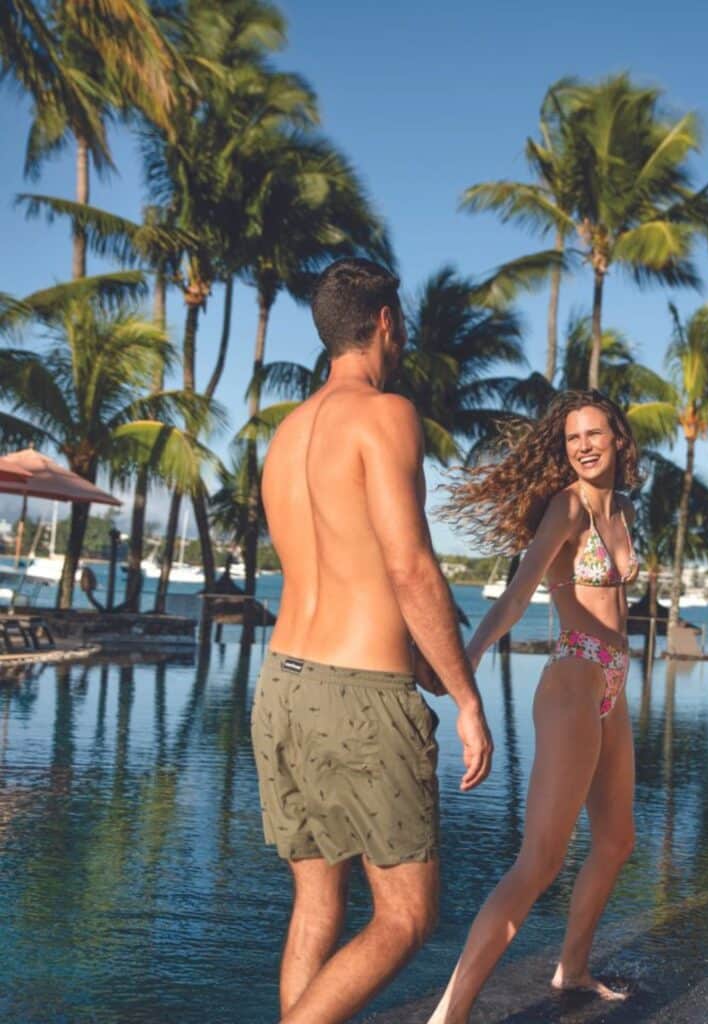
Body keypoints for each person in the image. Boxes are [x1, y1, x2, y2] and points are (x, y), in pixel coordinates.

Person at [251, 257, 493, 1024]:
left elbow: (341, 562)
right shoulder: (385, 415)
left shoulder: (286, 435)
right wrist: (466, 698)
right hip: (359, 693)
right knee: (406, 915)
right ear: (385, 323)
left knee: (316, 905)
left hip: (282, 684)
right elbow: (409, 567)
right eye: (404, 325)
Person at [429, 390, 641, 1023]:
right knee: (541, 859)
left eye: (594, 433)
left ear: (618, 439)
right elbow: (518, 598)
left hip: (614, 683)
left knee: (616, 840)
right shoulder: (567, 507)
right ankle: (451, 1010)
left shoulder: (625, 508)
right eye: (573, 437)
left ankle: (571, 968)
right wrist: (463, 662)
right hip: (574, 678)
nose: (583, 445)